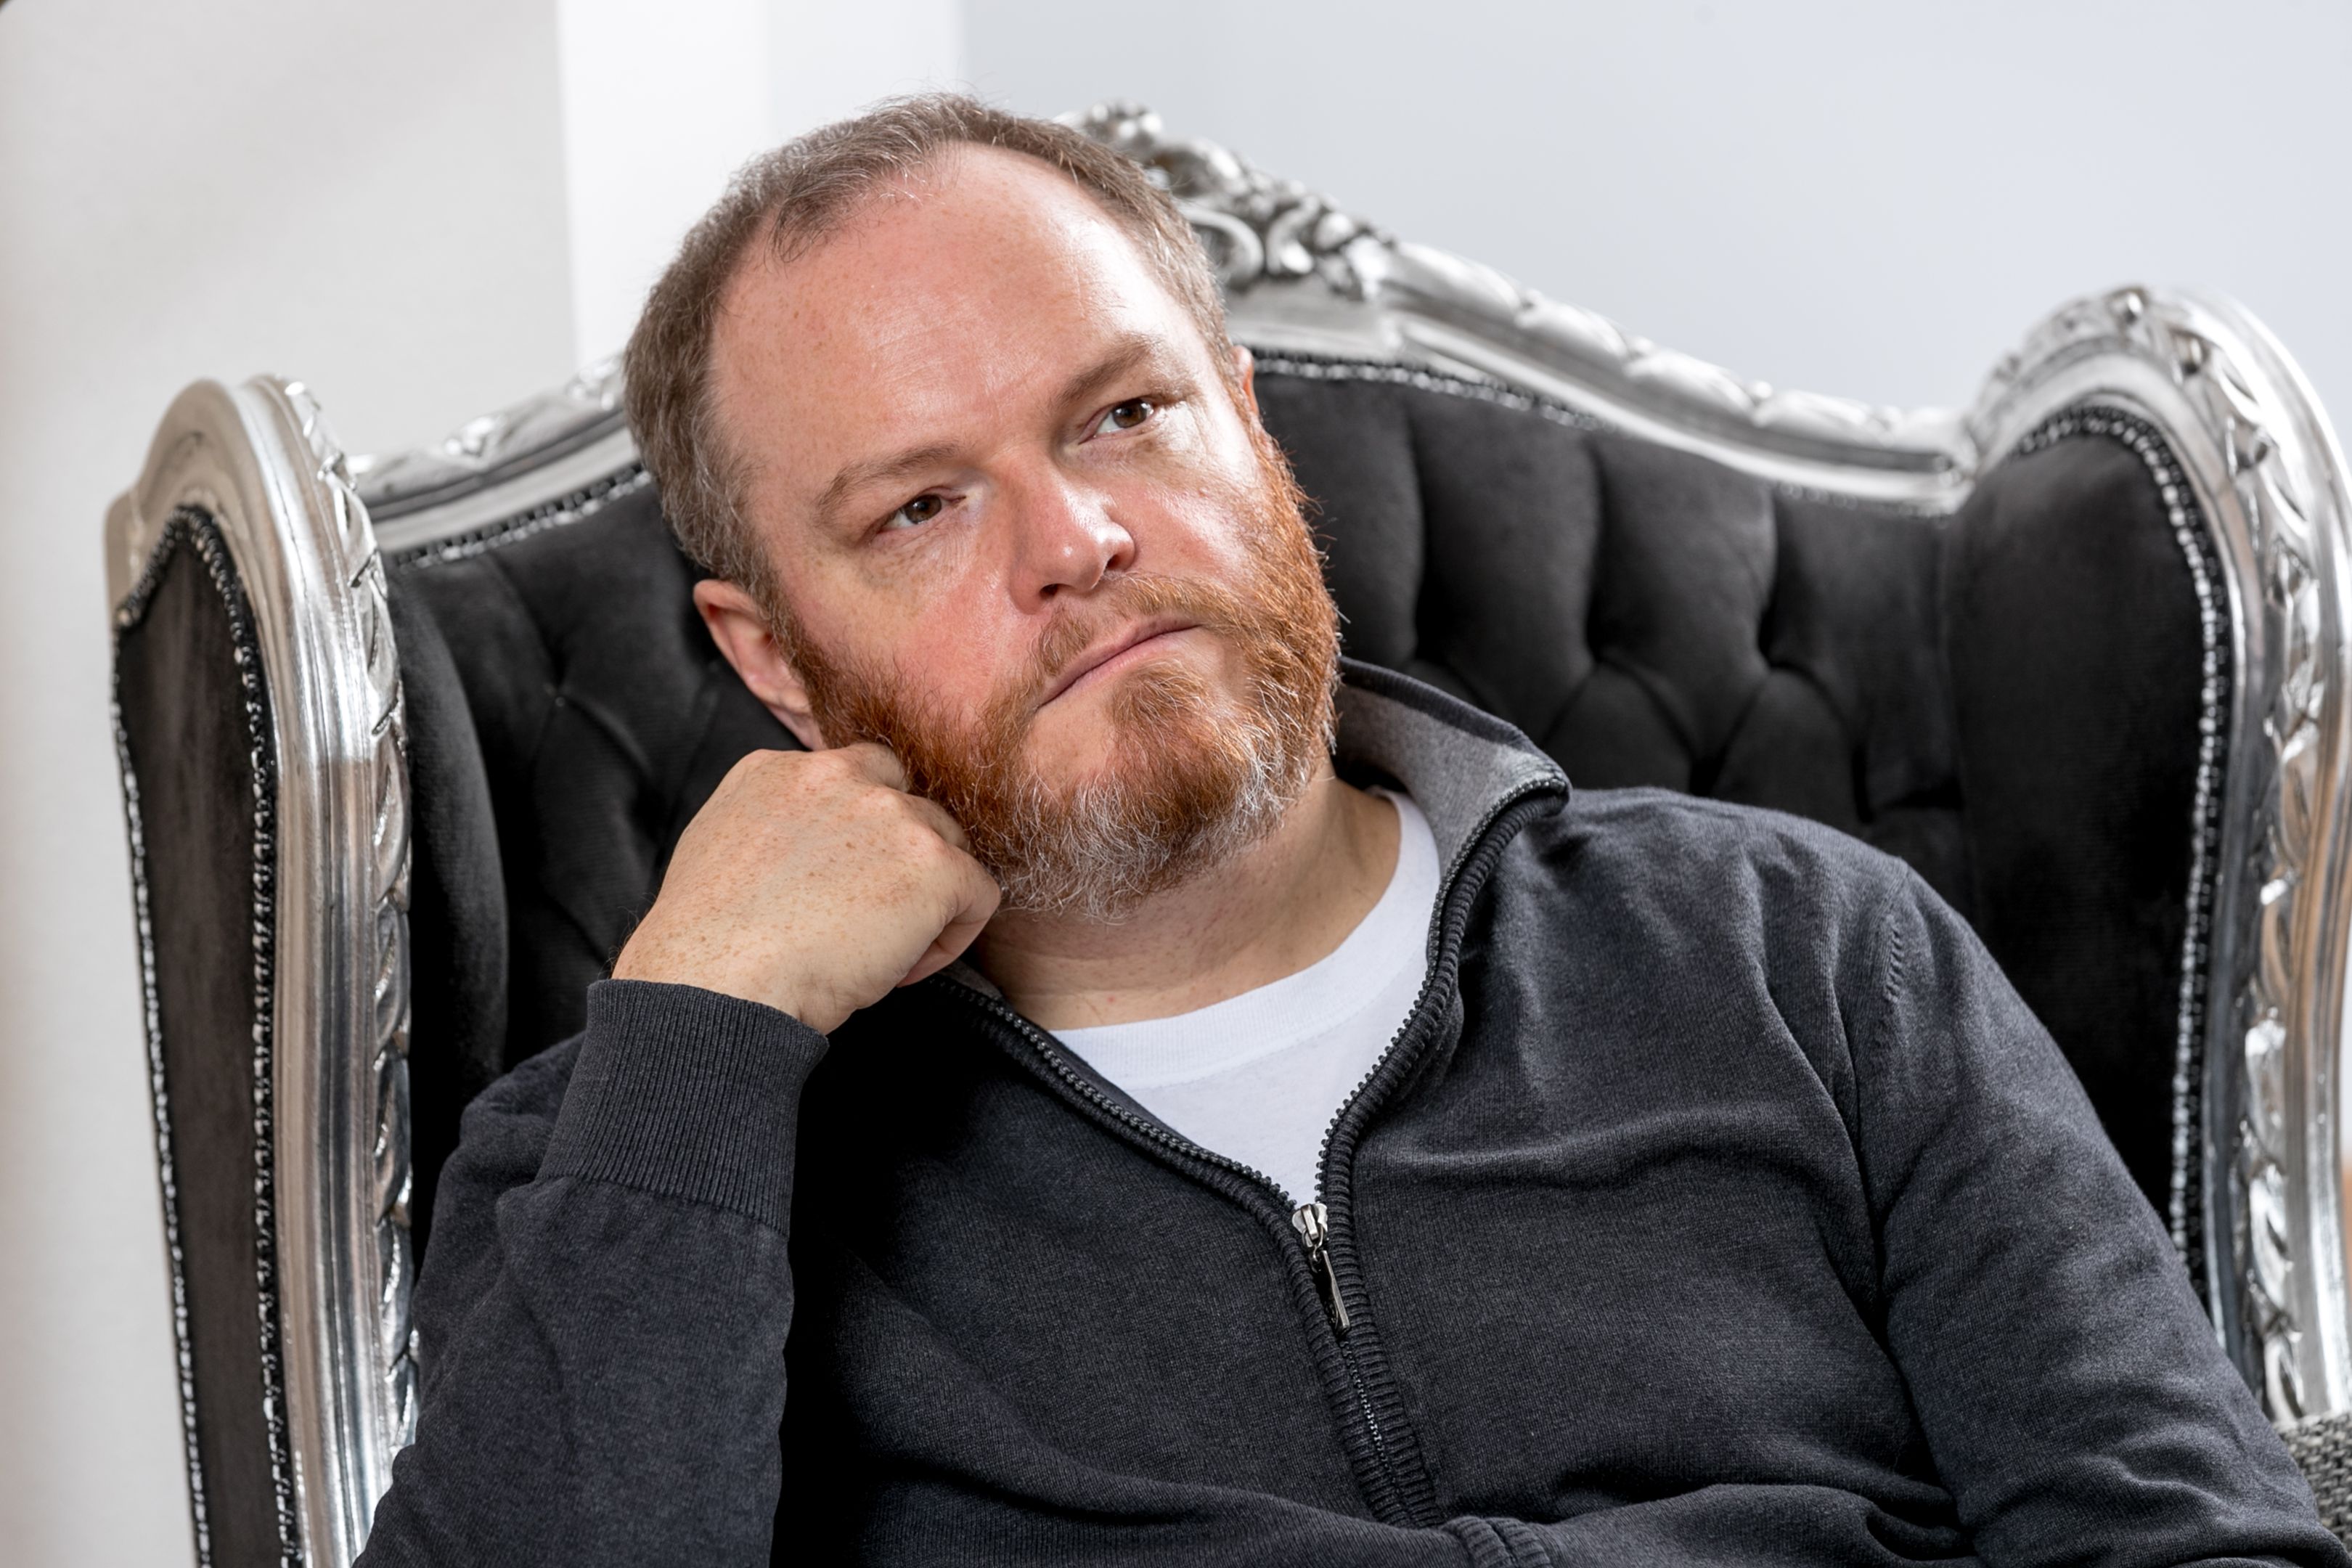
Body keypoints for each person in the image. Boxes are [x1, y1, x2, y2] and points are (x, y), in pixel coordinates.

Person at [356, 95, 2345, 1567]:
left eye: (1125, 415)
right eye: (920, 508)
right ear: (774, 660)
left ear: (1249, 422)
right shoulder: (628, 1166)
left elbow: (2185, 1540)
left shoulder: (1808, 950)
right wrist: (706, 1032)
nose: (1079, 538)